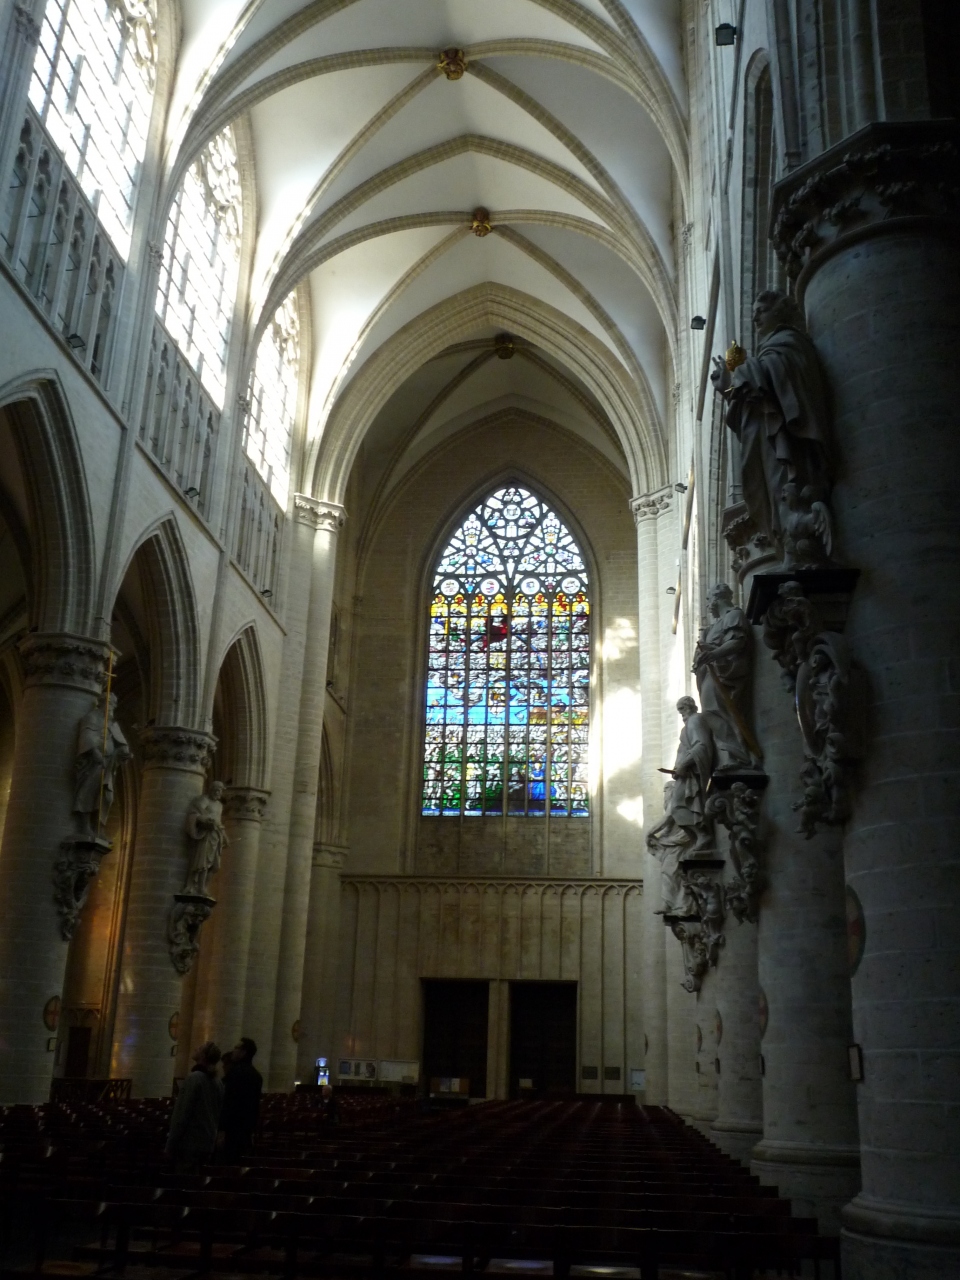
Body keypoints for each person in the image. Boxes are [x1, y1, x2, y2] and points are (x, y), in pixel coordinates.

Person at [711, 290, 833, 550]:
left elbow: (773, 383)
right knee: (775, 492)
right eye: (754, 313)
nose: (755, 318)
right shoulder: (771, 349)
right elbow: (758, 395)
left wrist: (740, 373)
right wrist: (728, 389)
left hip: (786, 437)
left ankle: (797, 540)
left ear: (780, 311)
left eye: (761, 311)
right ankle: (788, 543)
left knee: (785, 487)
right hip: (771, 435)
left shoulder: (788, 342)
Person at [646, 696, 716, 915]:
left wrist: (684, 765)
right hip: (685, 775)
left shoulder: (695, 721)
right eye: (679, 710)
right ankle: (699, 836)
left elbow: (701, 746)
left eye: (682, 709)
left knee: (679, 807)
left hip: (691, 773)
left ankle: (701, 835)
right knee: (679, 807)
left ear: (690, 707)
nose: (681, 713)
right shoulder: (689, 725)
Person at [165, 1041, 223, 1171]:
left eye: (200, 1048)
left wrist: (170, 1144)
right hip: (207, 1142)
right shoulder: (217, 1081)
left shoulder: (194, 1078)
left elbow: (182, 1114)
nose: (196, 1048)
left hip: (190, 1143)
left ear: (203, 1056)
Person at [218, 1036, 263, 1161]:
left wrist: (222, 1129)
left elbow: (229, 1103)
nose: (233, 1050)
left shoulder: (235, 1073)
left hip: (232, 1128)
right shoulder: (256, 1076)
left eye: (236, 1048)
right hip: (246, 1129)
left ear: (244, 1052)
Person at [183, 780, 229, 896]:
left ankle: (204, 886)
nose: (218, 793)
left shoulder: (219, 805)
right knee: (203, 863)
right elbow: (195, 814)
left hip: (216, 836)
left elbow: (219, 823)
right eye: (216, 790)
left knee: (215, 866)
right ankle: (198, 888)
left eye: (220, 791)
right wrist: (206, 821)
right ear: (211, 789)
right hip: (206, 835)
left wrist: (225, 837)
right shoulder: (204, 800)